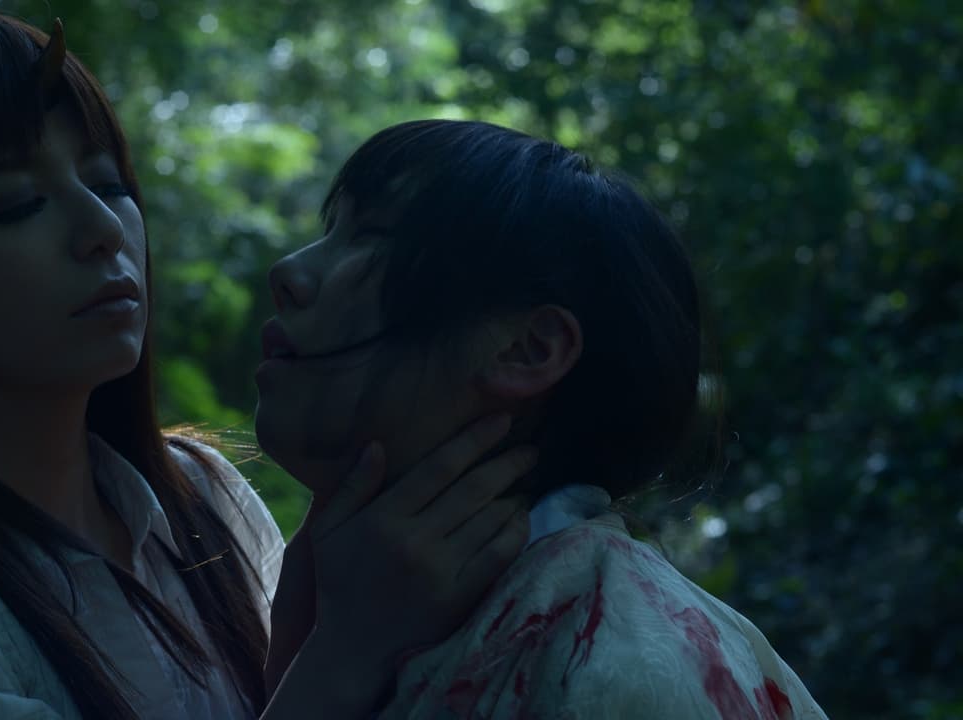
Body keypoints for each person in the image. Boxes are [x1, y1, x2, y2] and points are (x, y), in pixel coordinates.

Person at [0, 17, 538, 720]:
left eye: (108, 184)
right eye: (17, 205)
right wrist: (350, 649)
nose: (101, 229)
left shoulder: (205, 498)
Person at [256, 119, 829, 718]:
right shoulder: (354, 615)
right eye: (331, 231)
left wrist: (336, 663)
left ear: (529, 349)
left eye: (371, 237)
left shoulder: (614, 671)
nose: (288, 272)